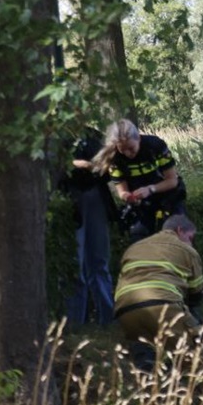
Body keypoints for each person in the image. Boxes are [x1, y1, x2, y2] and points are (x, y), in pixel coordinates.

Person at [113, 214, 203, 348]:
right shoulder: (187, 250)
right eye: (190, 238)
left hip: (125, 311)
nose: (191, 243)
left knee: (144, 361)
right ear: (179, 230)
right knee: (195, 358)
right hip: (163, 306)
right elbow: (196, 292)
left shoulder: (133, 248)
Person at [93, 119, 187, 242]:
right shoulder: (115, 158)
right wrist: (129, 197)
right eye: (123, 150)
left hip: (168, 195)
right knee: (138, 236)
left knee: (177, 234)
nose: (128, 154)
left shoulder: (155, 146)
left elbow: (172, 181)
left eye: (131, 148)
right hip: (142, 203)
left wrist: (151, 189)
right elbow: (122, 192)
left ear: (138, 138)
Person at [60, 127, 116, 326]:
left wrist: (93, 165)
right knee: (76, 264)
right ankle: (76, 322)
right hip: (70, 199)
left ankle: (107, 319)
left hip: (94, 197)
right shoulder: (57, 135)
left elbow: (105, 169)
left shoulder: (92, 135)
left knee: (98, 262)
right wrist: (76, 164)